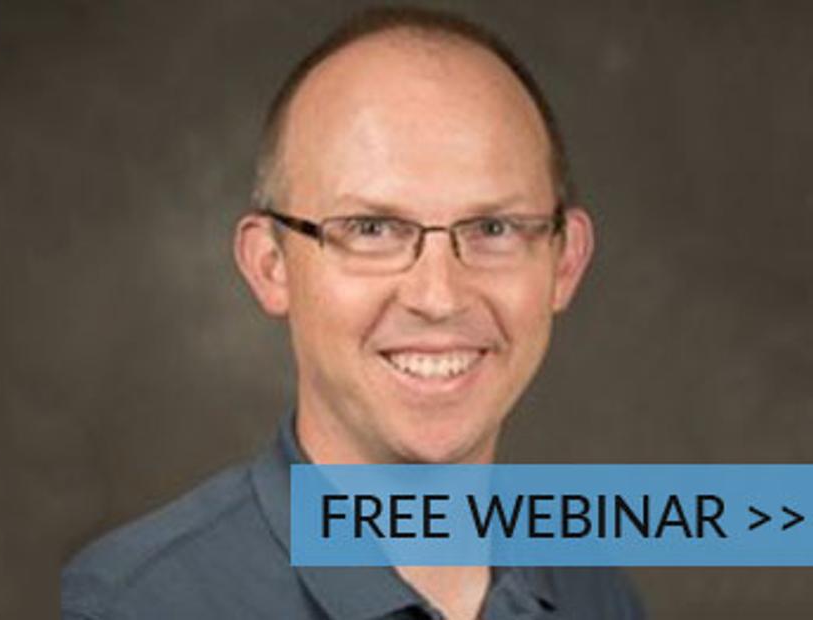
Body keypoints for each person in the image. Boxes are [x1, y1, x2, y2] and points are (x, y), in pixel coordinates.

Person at [62, 7, 644, 619]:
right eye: (372, 229)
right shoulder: (126, 607)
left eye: (493, 228)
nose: (439, 297)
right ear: (271, 265)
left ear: (565, 262)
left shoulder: (596, 597)